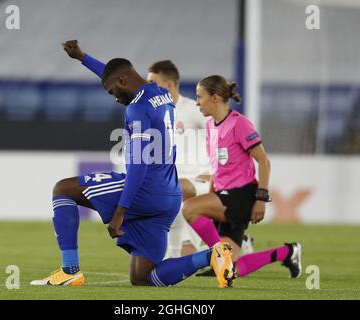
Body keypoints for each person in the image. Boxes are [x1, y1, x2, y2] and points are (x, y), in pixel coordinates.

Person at [30, 40, 234, 288]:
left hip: (145, 191)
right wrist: (83, 58)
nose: (114, 98)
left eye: (112, 91)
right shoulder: (161, 94)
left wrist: (120, 212)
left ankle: (70, 270)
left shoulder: (137, 109)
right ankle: (212, 255)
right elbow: (116, 72)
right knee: (143, 277)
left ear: (123, 82)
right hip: (168, 197)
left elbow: (139, 165)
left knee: (63, 189)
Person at [183, 75, 302, 281]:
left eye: (200, 96)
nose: (197, 102)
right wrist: (211, 195)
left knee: (189, 208)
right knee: (231, 270)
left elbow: (264, 161)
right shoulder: (211, 126)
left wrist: (261, 199)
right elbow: (216, 168)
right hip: (222, 196)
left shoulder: (240, 124)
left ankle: (220, 256)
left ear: (216, 98)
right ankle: (288, 252)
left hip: (241, 196)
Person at [147, 60, 254, 258]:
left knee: (171, 188)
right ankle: (236, 243)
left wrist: (215, 173)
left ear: (169, 85)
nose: (148, 87)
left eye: (153, 82)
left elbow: (224, 130)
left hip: (199, 181)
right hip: (176, 187)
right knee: (181, 255)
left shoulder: (191, 109)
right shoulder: (153, 115)